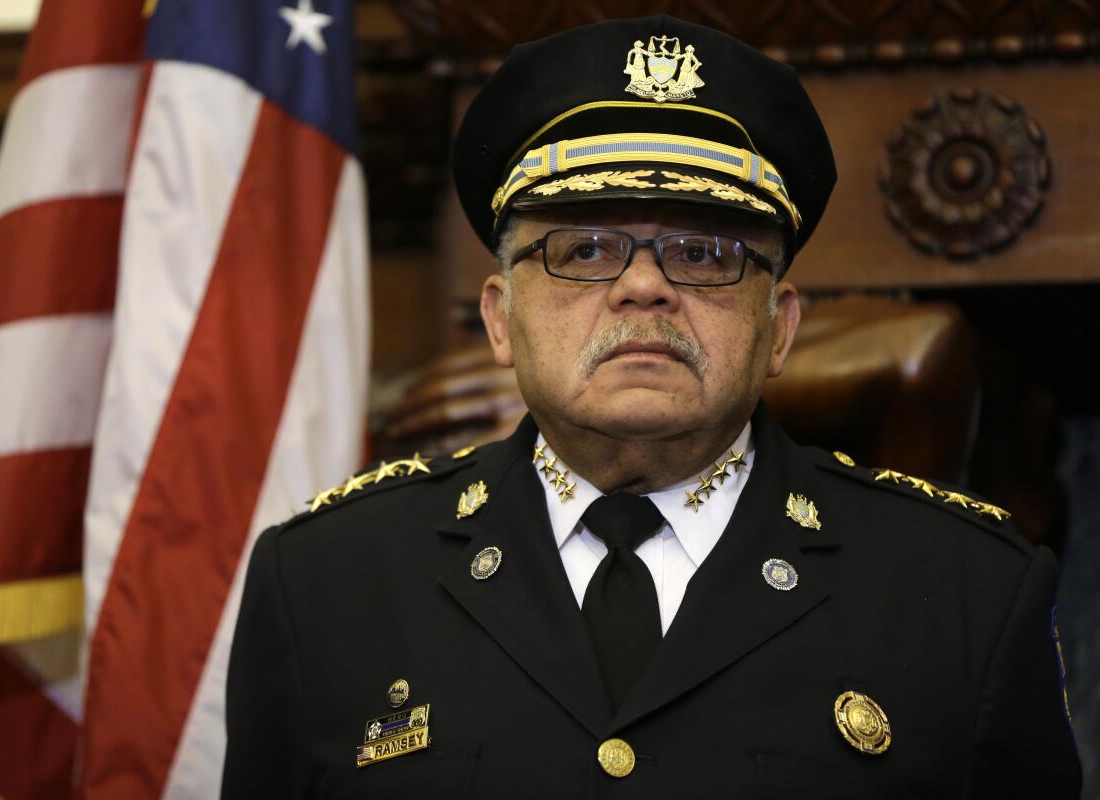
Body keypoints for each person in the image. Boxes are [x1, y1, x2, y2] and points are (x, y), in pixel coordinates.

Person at [221, 15, 1081, 799]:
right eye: (584, 246)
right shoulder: (326, 584)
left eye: (703, 253)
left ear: (778, 328)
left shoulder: (967, 593)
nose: (643, 287)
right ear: (499, 320)